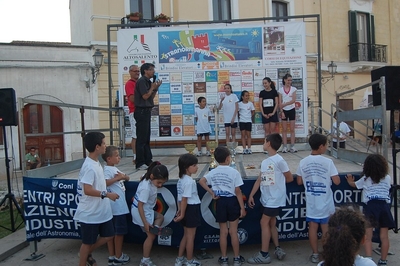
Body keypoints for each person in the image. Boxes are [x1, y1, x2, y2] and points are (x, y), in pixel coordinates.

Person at [74, 132, 120, 266]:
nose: (106, 146)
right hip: (90, 212)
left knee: (109, 235)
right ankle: (84, 258)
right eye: (104, 143)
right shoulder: (89, 166)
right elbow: (87, 189)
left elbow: (100, 183)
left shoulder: (96, 162)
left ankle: (86, 254)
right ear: (97, 147)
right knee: (87, 242)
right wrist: (107, 195)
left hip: (101, 210)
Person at [247, 133, 293, 264]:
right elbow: (259, 179)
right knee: (272, 223)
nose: (263, 143)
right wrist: (251, 194)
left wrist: (278, 185)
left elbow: (289, 178)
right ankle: (277, 248)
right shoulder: (265, 161)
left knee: (264, 222)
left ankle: (264, 254)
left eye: (264, 141)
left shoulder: (279, 160)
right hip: (266, 198)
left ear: (269, 144)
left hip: (274, 199)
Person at [296, 133, 340, 263]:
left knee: (312, 228)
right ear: (321, 146)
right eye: (326, 145)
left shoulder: (303, 162)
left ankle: (315, 254)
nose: (326, 147)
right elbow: (336, 181)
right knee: (326, 230)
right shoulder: (328, 162)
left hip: (311, 202)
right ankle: (327, 254)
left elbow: (299, 181)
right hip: (326, 202)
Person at [199, 146, 246, 266]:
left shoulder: (213, 172)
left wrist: (212, 193)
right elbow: (238, 191)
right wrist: (242, 207)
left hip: (220, 202)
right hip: (232, 202)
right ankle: (236, 258)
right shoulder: (234, 172)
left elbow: (201, 181)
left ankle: (224, 258)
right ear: (228, 158)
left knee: (223, 232)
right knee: (233, 232)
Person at [346, 154, 395, 266]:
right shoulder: (387, 178)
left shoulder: (366, 179)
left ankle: (369, 259)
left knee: (368, 236)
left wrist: (349, 181)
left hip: (371, 206)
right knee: (384, 236)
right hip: (384, 206)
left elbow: (354, 185)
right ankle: (383, 260)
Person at [131, 161, 171, 266]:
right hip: (141, 212)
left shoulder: (148, 177)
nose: (160, 185)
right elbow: (140, 206)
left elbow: (142, 177)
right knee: (151, 237)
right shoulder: (146, 188)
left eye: (163, 183)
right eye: (159, 183)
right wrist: (145, 223)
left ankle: (155, 229)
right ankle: (145, 260)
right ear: (152, 176)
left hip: (146, 209)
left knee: (160, 217)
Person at [102, 146, 131, 266]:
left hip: (120, 206)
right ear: (109, 158)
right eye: (117, 155)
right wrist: (119, 178)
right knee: (116, 233)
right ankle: (116, 256)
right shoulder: (106, 170)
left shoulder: (115, 169)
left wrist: (123, 177)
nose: (119, 157)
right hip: (115, 207)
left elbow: (127, 177)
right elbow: (104, 183)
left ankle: (114, 255)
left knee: (116, 232)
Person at [174, 154, 202, 266]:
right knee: (190, 237)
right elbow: (184, 198)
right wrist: (182, 214)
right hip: (190, 209)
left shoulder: (181, 180)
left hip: (185, 209)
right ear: (187, 167)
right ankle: (189, 261)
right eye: (194, 165)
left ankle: (180, 258)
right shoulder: (189, 181)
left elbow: (179, 198)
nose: (197, 167)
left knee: (186, 235)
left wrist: (180, 210)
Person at [134, 63, 162, 170]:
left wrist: (155, 88)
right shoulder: (141, 81)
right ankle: (140, 162)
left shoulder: (148, 82)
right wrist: (152, 88)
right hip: (141, 111)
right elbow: (145, 96)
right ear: (145, 71)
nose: (153, 71)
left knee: (146, 138)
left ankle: (148, 160)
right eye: (151, 69)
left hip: (146, 111)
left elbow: (151, 96)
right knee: (141, 138)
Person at [278, 73, 297, 153]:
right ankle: (285, 146)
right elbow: (279, 102)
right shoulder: (280, 90)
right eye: (288, 80)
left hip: (292, 109)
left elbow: (293, 100)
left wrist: (285, 104)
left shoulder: (293, 89)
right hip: (284, 110)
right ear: (285, 80)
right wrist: (281, 111)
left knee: (292, 129)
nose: (289, 82)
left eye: (291, 80)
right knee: (284, 129)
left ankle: (292, 146)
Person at [125, 64, 140, 164]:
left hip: (141, 111)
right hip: (134, 111)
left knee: (140, 135)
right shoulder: (130, 84)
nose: (137, 73)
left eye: (138, 71)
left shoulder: (139, 82)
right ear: (130, 72)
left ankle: (140, 155)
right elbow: (132, 98)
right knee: (135, 136)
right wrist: (143, 98)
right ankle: (135, 157)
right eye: (135, 71)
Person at [238, 90, 255, 154]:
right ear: (242, 97)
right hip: (242, 121)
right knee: (243, 135)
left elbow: (253, 111)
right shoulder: (239, 104)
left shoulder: (250, 104)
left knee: (248, 135)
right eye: (246, 96)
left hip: (248, 121)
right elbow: (238, 112)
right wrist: (241, 117)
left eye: (248, 95)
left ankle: (249, 148)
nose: (247, 97)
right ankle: (244, 149)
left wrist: (249, 116)